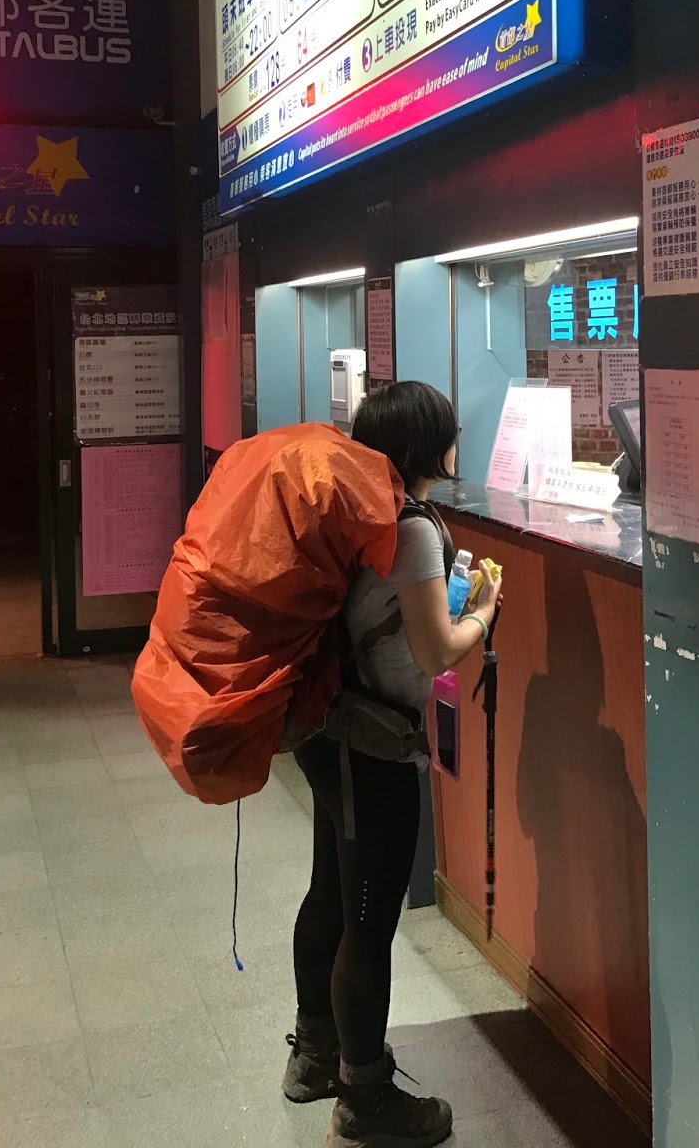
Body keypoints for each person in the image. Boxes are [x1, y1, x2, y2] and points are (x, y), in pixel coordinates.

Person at [283, 381, 502, 1148]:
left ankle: (315, 1057)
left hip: (329, 729)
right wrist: (484, 612)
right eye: (449, 430)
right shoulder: (409, 529)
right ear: (425, 446)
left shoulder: (363, 511)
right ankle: (365, 1097)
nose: (457, 440)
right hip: (369, 744)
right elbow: (436, 650)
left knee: (332, 893)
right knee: (369, 922)